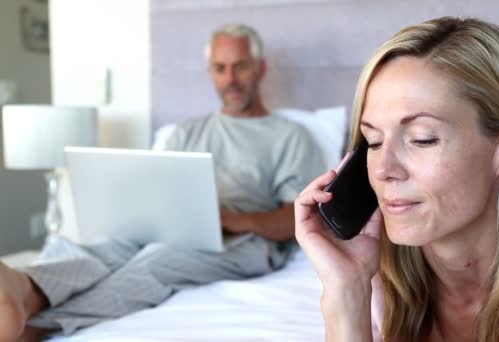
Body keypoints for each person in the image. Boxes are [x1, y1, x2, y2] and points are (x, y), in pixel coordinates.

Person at [0, 23, 325, 340]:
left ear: (260, 68)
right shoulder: (185, 132)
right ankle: (25, 289)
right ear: (210, 72)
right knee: (101, 248)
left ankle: (37, 327)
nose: (230, 79)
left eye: (240, 67)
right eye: (220, 68)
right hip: (172, 227)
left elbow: (294, 219)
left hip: (246, 241)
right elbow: (155, 189)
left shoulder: (290, 136)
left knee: (155, 263)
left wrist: (233, 221)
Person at [295, 17, 499, 342]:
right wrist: (346, 291)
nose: (382, 169)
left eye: (422, 138)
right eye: (373, 142)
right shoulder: (373, 273)